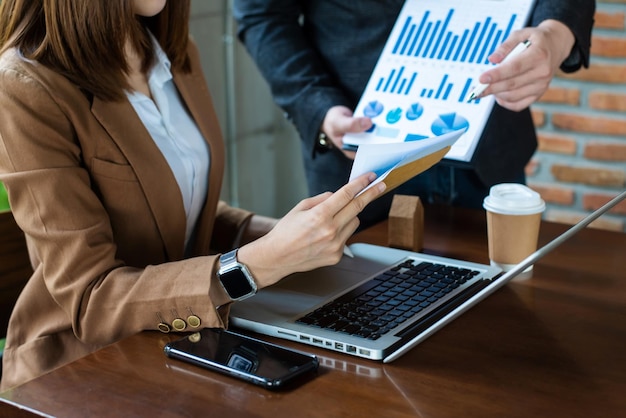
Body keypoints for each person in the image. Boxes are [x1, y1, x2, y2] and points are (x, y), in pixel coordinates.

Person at [0, 0, 386, 390]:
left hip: (184, 345)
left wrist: (296, 238)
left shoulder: (168, 48)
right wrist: (257, 263)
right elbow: (91, 301)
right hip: (83, 370)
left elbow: (180, 211)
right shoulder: (23, 86)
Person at [234, 0, 595, 227]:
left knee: (502, 322)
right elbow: (263, 14)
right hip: (359, 160)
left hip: (490, 149)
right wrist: (317, 106)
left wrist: (555, 33)